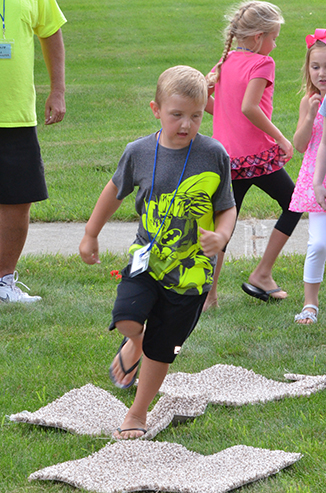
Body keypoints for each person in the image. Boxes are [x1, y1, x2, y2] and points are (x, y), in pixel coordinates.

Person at [79, 65, 237, 439]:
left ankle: (137, 413)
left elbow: (226, 205)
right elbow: (113, 191)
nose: (186, 124)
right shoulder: (138, 151)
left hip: (192, 272)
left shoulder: (213, 154)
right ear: (156, 109)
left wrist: (223, 235)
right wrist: (90, 234)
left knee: (163, 347)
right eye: (176, 114)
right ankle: (135, 344)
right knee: (127, 318)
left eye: (196, 116)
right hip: (146, 257)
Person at [203, 0, 302, 310]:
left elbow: (205, 96)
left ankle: (209, 297)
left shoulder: (227, 59)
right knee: (294, 203)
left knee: (224, 226)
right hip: (256, 158)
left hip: (228, 159)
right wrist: (281, 137)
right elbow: (249, 107)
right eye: (273, 37)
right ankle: (261, 274)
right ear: (258, 36)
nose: (274, 44)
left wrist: (224, 112)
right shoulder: (263, 64)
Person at [0, 0, 66, 303]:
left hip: (15, 116)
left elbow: (51, 32)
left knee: (18, 199)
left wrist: (57, 90)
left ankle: (3, 282)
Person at [289, 30, 326, 324]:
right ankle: (310, 304)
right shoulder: (308, 102)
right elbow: (300, 145)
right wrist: (312, 116)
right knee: (317, 244)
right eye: (316, 67)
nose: (321, 73)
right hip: (318, 179)